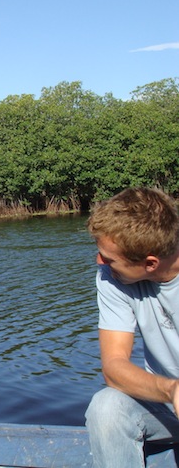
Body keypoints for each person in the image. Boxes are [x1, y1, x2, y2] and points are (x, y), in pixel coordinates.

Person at [85, 187, 179, 467]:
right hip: (166, 405)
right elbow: (114, 367)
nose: (99, 261)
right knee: (107, 408)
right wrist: (171, 390)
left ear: (150, 263)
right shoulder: (111, 277)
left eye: (109, 258)